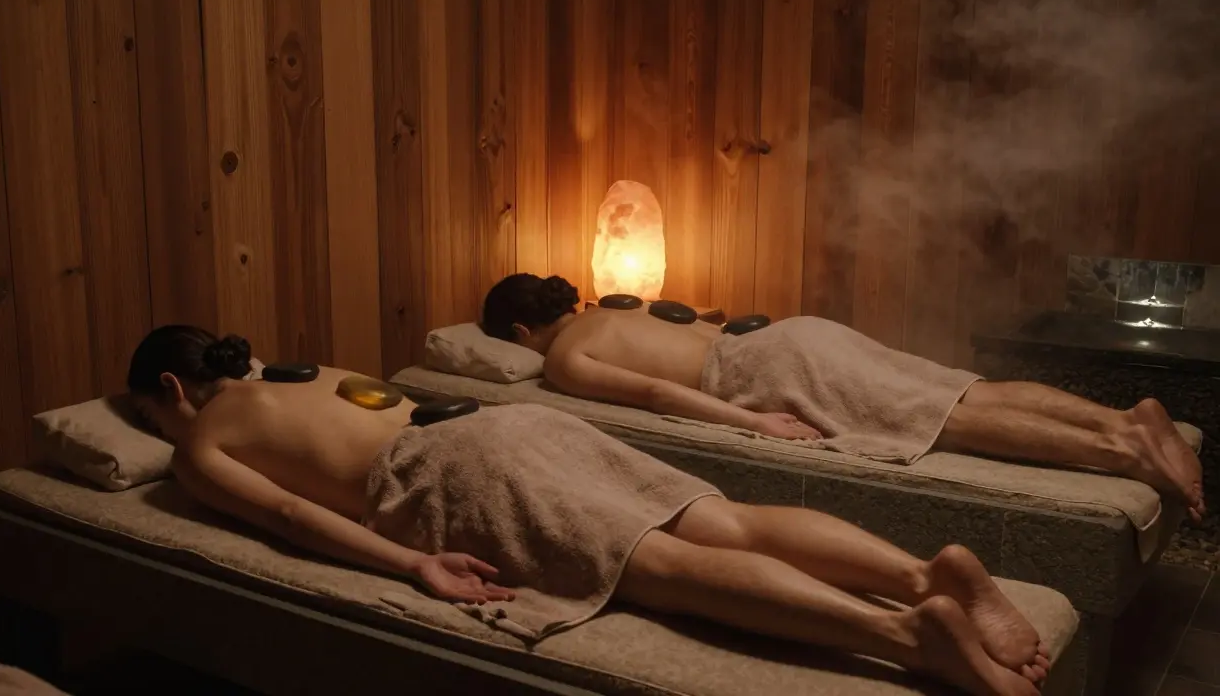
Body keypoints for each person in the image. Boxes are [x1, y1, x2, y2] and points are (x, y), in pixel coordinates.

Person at [128, 324, 1049, 696]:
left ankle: (901, 638)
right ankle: (923, 575)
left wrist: (416, 563)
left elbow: (291, 519)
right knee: (725, 518)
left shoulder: (201, 443)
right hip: (517, 423)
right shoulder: (302, 368)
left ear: (172, 387)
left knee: (665, 573)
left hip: (457, 466)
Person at [480, 273, 1205, 522]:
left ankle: (1122, 451)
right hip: (795, 336)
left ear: (520, 330)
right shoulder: (618, 303)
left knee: (947, 423)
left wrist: (751, 421)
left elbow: (653, 394)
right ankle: (1124, 419)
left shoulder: (567, 356)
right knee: (960, 390)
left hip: (773, 373)